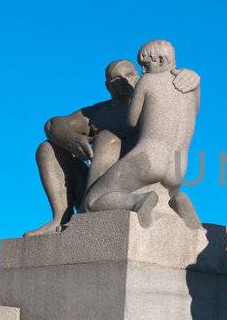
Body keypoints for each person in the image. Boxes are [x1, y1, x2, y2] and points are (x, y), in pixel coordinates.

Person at [84, 39, 201, 228]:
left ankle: (138, 201)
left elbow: (132, 120)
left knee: (94, 200)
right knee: (162, 192)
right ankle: (178, 199)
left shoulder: (148, 81)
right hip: (178, 167)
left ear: (161, 61)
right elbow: (194, 110)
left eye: (146, 65)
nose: (143, 71)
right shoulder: (191, 89)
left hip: (149, 157)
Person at [25, 59, 138, 235]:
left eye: (129, 75)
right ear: (108, 87)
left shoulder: (151, 105)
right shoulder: (100, 113)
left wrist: (190, 78)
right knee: (47, 149)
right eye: (116, 79)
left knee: (107, 138)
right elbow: (52, 125)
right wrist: (72, 139)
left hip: (134, 186)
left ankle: (90, 212)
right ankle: (61, 218)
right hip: (92, 185)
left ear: (138, 77)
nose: (124, 81)